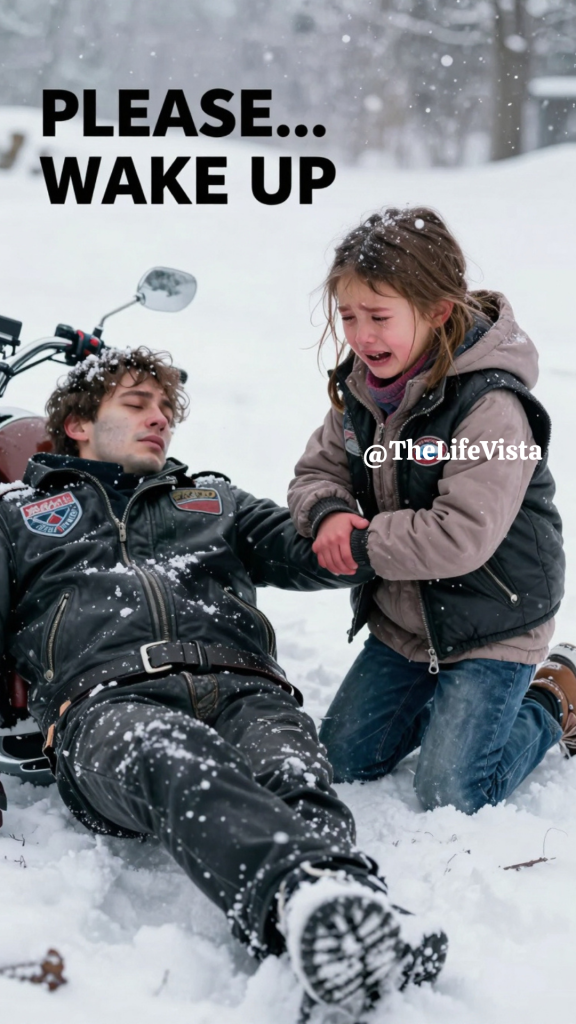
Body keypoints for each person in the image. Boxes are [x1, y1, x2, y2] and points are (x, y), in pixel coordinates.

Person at [0, 346, 446, 1017]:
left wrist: (378, 506)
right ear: (78, 425)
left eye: (165, 409)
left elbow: (313, 550)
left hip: (245, 689)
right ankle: (322, 904)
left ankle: (334, 927)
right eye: (136, 404)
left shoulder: (211, 499)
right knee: (175, 758)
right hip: (110, 703)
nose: (159, 419)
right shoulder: (19, 518)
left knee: (291, 772)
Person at [288, 206, 574, 815]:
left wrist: (361, 545)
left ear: (438, 311)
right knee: (341, 762)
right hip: (408, 618)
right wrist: (329, 513)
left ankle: (556, 696)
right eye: (348, 316)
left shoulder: (491, 405)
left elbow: (461, 534)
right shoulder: (363, 391)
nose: (362, 336)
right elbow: (318, 471)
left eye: (379, 317)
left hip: (496, 617)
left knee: (453, 792)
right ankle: (447, 715)